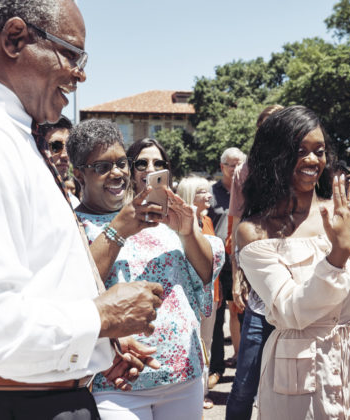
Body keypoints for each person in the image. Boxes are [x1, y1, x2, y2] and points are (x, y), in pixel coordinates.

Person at [0, 1, 164, 418]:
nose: (81, 73)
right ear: (15, 38)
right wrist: (100, 317)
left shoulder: (5, 133)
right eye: (72, 54)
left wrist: (94, 344)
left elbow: (32, 286)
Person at [236, 106, 350, 419]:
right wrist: (337, 257)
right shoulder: (254, 231)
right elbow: (293, 311)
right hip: (297, 387)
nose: (311, 160)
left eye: (319, 151)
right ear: (273, 156)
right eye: (299, 150)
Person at [68, 127, 225, 420]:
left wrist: (188, 233)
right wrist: (119, 229)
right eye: (103, 167)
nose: (117, 173)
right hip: (117, 382)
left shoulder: (164, 217)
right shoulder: (74, 224)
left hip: (182, 375)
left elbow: (203, 276)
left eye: (120, 163)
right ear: (79, 175)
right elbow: (76, 288)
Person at [225, 104, 283, 420]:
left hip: (297, 280)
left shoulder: (301, 165)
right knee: (246, 378)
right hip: (259, 281)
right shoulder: (245, 171)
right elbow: (236, 227)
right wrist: (236, 276)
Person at [176, 175, 217, 410]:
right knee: (192, 342)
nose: (208, 195)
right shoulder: (180, 224)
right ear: (191, 194)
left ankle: (202, 392)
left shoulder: (207, 221)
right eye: (202, 191)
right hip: (190, 295)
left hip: (212, 292)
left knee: (207, 343)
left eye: (209, 190)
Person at [208, 147, 246, 388]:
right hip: (217, 262)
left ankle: (244, 364)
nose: (235, 168)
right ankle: (217, 368)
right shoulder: (211, 193)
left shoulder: (248, 191)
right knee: (217, 314)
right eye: (231, 164)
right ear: (222, 167)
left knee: (242, 312)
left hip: (241, 261)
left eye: (239, 164)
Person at [37, 115, 80, 206]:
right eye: (56, 146)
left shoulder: (74, 203)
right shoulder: (25, 197)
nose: (65, 155)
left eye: (69, 147)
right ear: (38, 147)